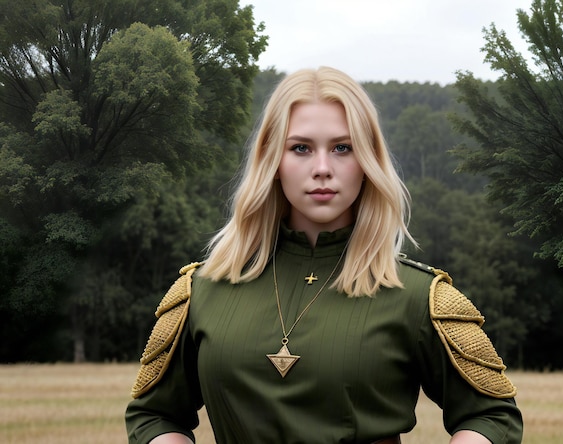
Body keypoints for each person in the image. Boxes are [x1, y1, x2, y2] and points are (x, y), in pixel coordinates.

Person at [125, 66, 523, 444]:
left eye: (342, 148)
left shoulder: (422, 297)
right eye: (300, 148)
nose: (321, 168)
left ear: (368, 162)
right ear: (272, 161)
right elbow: (154, 413)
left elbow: (491, 414)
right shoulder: (201, 291)